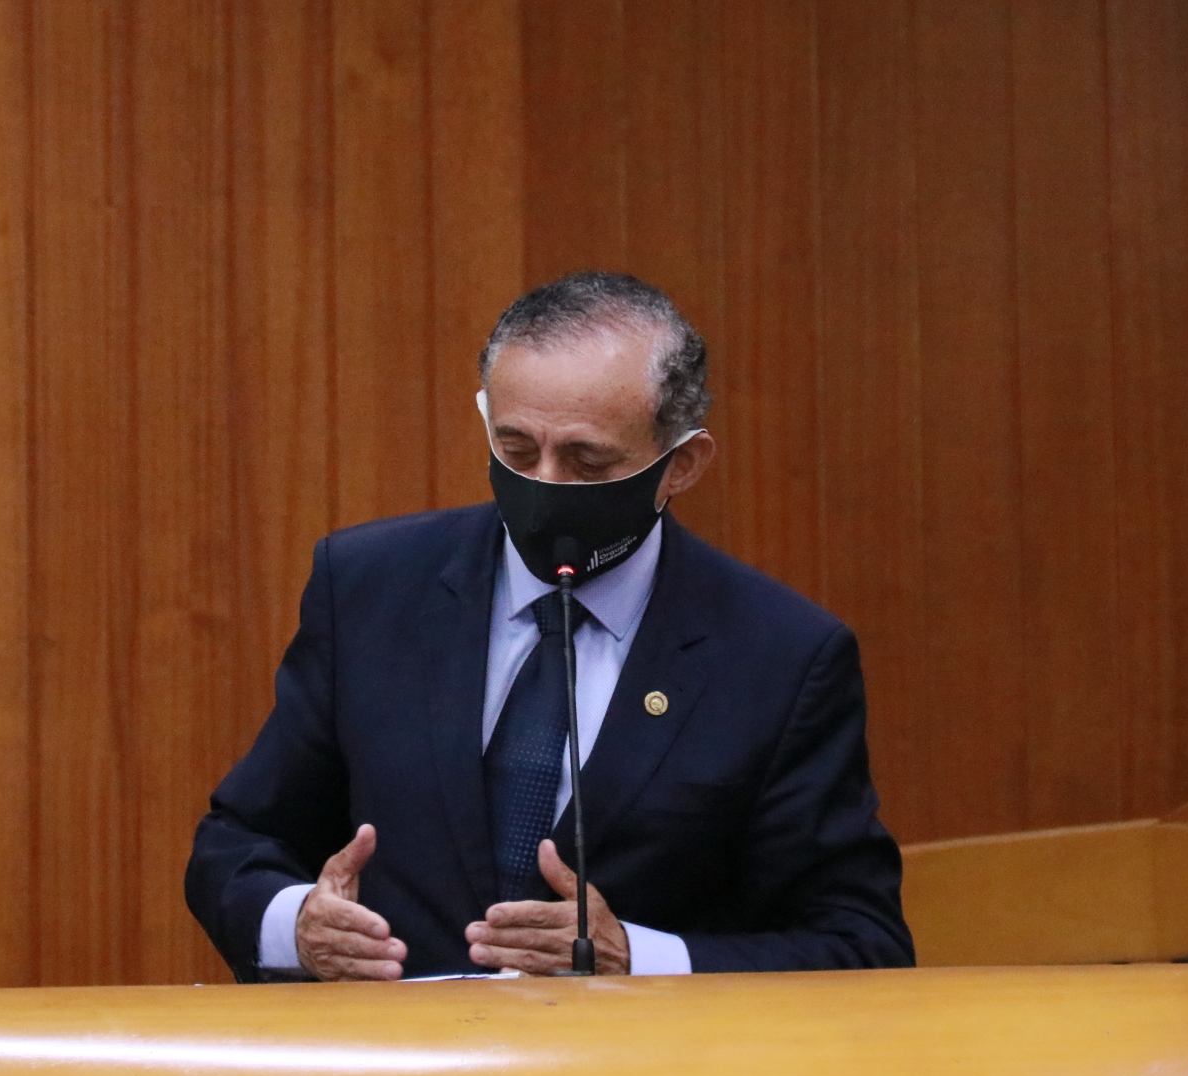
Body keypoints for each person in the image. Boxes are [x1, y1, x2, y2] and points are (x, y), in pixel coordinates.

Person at [186, 272, 913, 981]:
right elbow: (237, 844)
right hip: (398, 1051)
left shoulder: (780, 655)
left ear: (682, 464)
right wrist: (297, 926)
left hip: (637, 1059)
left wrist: (637, 959)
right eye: (516, 450)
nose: (545, 487)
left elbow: (861, 944)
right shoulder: (370, 588)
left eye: (588, 461)